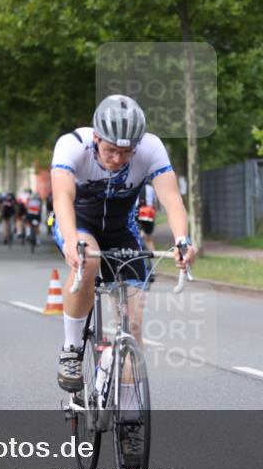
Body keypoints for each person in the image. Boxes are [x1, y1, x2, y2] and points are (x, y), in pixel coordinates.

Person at [51, 94, 195, 393]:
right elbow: (62, 196)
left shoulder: (151, 148)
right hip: (78, 223)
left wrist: (182, 240)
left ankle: (128, 409)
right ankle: (72, 349)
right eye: (111, 150)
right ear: (96, 138)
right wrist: (71, 240)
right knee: (89, 258)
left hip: (121, 230)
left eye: (126, 152)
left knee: (133, 325)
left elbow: (171, 198)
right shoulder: (72, 145)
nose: (117, 159)